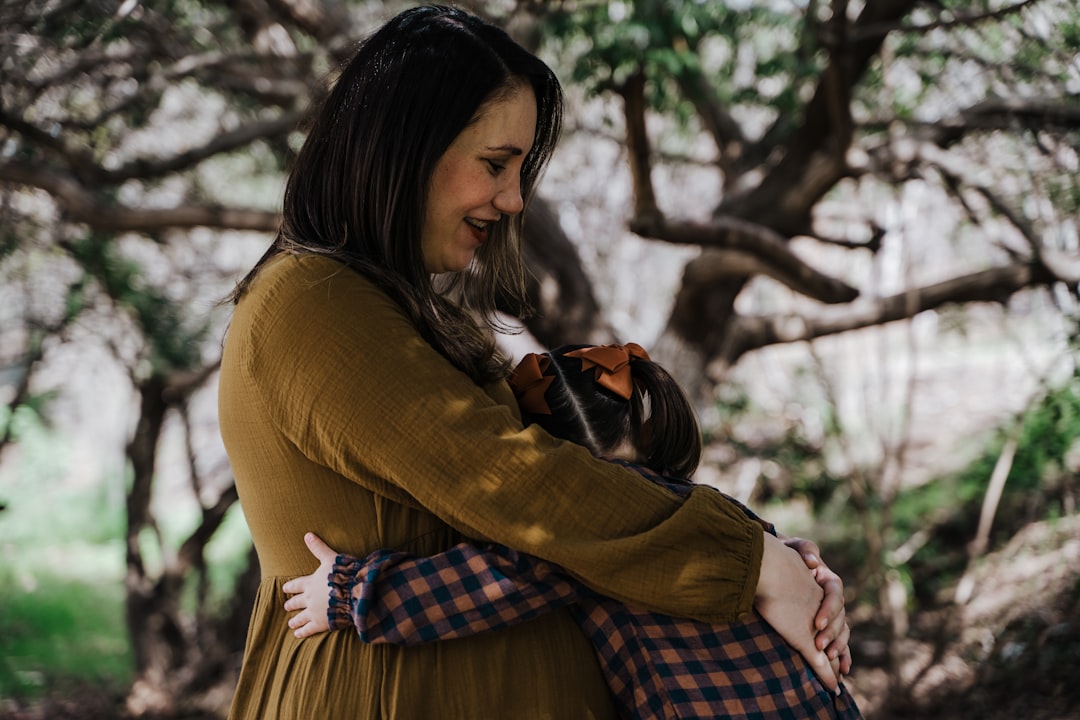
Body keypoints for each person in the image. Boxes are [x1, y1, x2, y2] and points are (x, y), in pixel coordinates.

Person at [218, 6, 850, 718]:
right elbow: (524, 489)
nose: (514, 200)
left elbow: (581, 498)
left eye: (520, 170)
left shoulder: (412, 310)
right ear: (404, 148)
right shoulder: (309, 302)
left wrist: (769, 556)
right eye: (495, 164)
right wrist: (749, 561)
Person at [283, 343, 862, 719]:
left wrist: (346, 592)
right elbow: (789, 563)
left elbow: (478, 587)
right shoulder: (715, 511)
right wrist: (808, 564)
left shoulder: (582, 539)